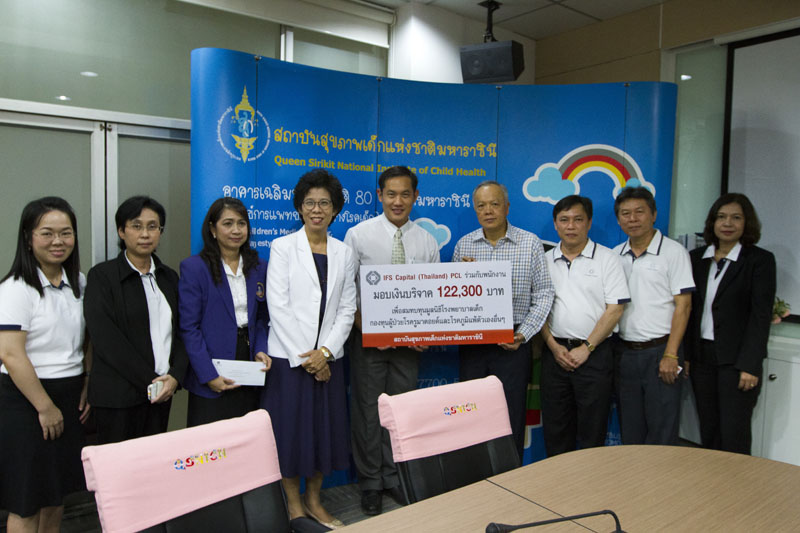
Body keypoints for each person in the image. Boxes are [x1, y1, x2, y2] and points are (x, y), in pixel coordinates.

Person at [261, 170, 356, 529]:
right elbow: (278, 306)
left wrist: (327, 353)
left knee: (323, 433)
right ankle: (294, 506)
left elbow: (347, 308)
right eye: (310, 203)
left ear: (335, 210)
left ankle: (315, 502)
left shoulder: (344, 252)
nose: (317, 209)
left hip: (329, 360)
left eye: (325, 203)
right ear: (300, 208)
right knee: (291, 433)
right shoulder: (283, 247)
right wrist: (310, 358)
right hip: (290, 361)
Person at [344, 165, 440, 515]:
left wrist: (427, 332)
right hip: (368, 341)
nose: (397, 201)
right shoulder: (358, 235)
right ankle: (371, 482)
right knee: (369, 412)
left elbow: (432, 297)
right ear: (379, 196)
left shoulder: (426, 240)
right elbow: (346, 293)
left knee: (400, 413)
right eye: (391, 194)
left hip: (409, 347)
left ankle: (396, 478)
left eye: (405, 194)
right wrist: (367, 330)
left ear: (416, 197)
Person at [0, 197, 91, 533]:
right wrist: (45, 407)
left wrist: (86, 383)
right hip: (27, 402)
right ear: (28, 237)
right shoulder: (15, 289)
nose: (58, 241)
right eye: (47, 233)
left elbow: (87, 340)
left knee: (56, 497)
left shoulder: (78, 283)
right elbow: (10, 354)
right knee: (27, 502)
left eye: (66, 233)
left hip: (68, 397)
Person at [452, 180, 554, 460]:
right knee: (471, 412)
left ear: (507, 207)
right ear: (475, 210)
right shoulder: (464, 245)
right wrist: (463, 278)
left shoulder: (529, 243)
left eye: (494, 204)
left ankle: (510, 478)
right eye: (481, 206)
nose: (488, 211)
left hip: (512, 342)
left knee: (511, 415)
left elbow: (544, 293)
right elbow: (451, 300)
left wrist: (523, 335)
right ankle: (474, 474)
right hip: (473, 344)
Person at [83, 196, 188, 444]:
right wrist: (152, 382)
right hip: (118, 398)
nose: (145, 234)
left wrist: (175, 377)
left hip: (161, 394)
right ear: (121, 231)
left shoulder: (169, 277)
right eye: (136, 226)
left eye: (153, 226)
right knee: (118, 473)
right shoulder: (103, 276)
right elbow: (107, 340)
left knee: (151, 469)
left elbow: (184, 331)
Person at [685, 193, 775, 455]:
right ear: (712, 222)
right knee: (709, 429)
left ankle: (739, 490)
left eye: (736, 218)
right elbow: (689, 311)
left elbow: (760, 317)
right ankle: (714, 487)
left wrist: (750, 365)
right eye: (721, 217)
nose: (728, 223)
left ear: (747, 223)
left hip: (736, 363)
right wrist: (688, 355)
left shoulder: (759, 261)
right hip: (702, 358)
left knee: (734, 432)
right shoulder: (696, 258)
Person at [540, 195, 629, 457]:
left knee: (592, 432)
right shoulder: (544, 261)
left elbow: (616, 309)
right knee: (556, 431)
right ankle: (557, 492)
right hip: (555, 355)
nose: (571, 226)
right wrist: (553, 346)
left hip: (595, 356)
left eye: (578, 219)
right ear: (555, 225)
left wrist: (587, 347)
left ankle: (590, 494)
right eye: (564, 220)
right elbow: (538, 310)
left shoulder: (607, 259)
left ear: (589, 223)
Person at [612, 187, 694, 445]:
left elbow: (684, 306)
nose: (632, 219)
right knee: (631, 429)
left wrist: (671, 354)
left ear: (654, 215)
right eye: (625, 213)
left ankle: (662, 484)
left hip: (661, 352)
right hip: (624, 354)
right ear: (618, 219)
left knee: (662, 430)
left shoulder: (673, 252)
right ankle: (635, 484)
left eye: (639, 212)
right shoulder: (614, 255)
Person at [178, 197, 271, 427]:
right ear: (212, 229)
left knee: (246, 438)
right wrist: (208, 374)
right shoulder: (194, 268)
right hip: (211, 365)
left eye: (241, 223)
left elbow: (261, 318)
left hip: (248, 365)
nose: (236, 230)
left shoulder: (259, 266)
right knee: (210, 447)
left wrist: (261, 349)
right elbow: (189, 328)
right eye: (227, 224)